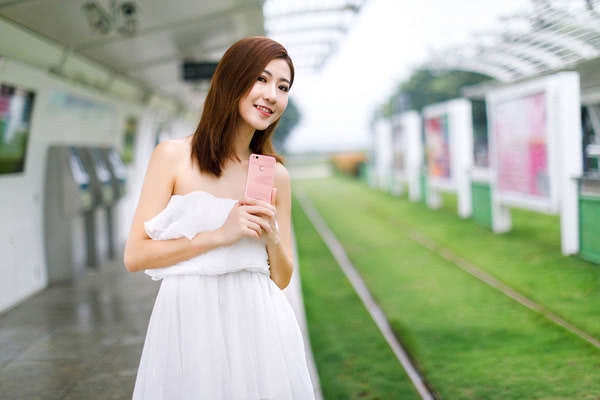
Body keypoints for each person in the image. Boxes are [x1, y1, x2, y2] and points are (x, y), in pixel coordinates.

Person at [123, 36, 315, 399]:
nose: (272, 94)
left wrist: (271, 236)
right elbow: (135, 256)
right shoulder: (173, 157)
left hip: (259, 326)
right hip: (189, 323)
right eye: (261, 78)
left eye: (283, 86)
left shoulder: (273, 175)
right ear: (230, 80)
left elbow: (283, 278)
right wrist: (220, 234)